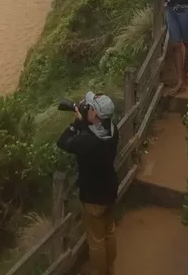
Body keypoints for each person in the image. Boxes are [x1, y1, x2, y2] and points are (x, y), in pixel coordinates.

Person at [56, 92, 119, 275]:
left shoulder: (86, 141)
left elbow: (63, 142)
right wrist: (85, 121)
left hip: (93, 196)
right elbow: (95, 133)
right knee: (109, 231)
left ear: (95, 114)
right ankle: (111, 268)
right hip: (110, 189)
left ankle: (100, 272)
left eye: (90, 107)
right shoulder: (112, 130)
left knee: (96, 241)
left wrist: (76, 123)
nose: (87, 108)